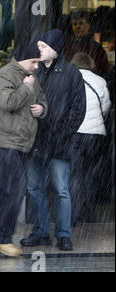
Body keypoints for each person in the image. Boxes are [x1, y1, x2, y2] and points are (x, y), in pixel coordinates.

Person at [20, 29, 86, 251]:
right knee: (35, 188)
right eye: (39, 45)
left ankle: (64, 234)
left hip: (59, 142)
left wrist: (62, 133)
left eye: (44, 46)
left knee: (61, 190)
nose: (39, 49)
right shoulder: (33, 72)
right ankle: (41, 232)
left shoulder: (71, 74)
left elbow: (78, 109)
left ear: (55, 50)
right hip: (35, 140)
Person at [0, 42, 47, 256]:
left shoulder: (31, 78)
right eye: (34, 62)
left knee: (10, 191)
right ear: (23, 59)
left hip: (21, 142)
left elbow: (41, 100)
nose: (37, 67)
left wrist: (42, 109)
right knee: (14, 190)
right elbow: (8, 102)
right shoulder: (5, 75)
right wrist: (27, 87)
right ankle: (2, 239)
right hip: (6, 141)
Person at [69, 53, 111, 225]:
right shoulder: (100, 81)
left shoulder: (70, 79)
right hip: (95, 134)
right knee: (90, 174)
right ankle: (91, 214)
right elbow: (106, 106)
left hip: (75, 133)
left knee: (75, 174)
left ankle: (75, 214)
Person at [64, 10, 110, 78]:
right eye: (74, 24)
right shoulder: (67, 46)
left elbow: (104, 71)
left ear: (88, 25)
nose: (78, 26)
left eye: (81, 23)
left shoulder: (97, 49)